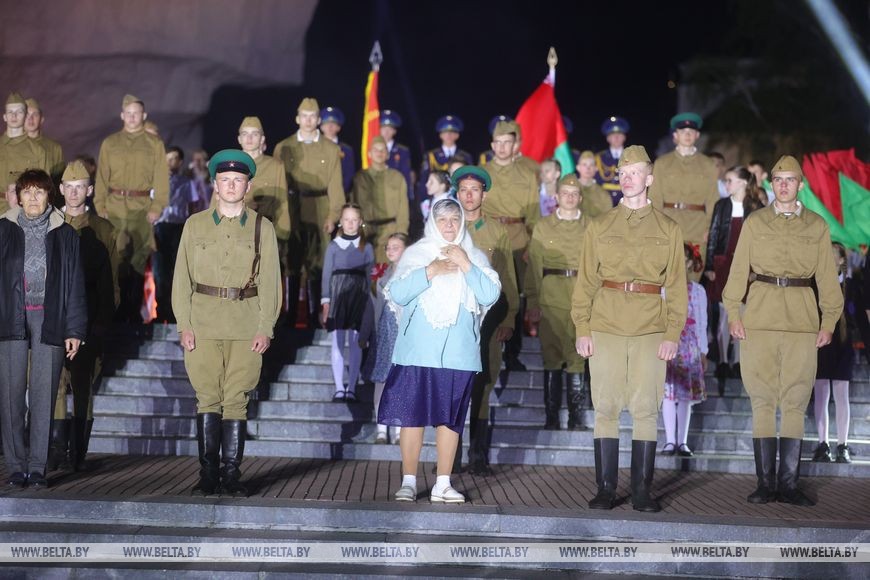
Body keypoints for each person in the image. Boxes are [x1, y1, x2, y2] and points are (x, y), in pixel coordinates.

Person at [572, 145, 688, 513]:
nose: (627, 178)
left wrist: (672, 334)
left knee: (645, 409)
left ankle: (641, 490)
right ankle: (605, 488)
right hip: (604, 324)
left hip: (650, 327)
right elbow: (586, 282)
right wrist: (582, 328)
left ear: (649, 179)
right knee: (605, 407)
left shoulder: (669, 229)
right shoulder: (600, 225)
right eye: (622, 173)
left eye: (635, 172)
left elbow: (678, 287)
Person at [723, 155, 843, 507]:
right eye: (778, 179)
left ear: (801, 185)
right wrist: (733, 312)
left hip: (802, 323)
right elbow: (738, 268)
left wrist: (829, 321)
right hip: (759, 318)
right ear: (771, 184)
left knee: (794, 401)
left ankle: (788, 484)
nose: (784, 185)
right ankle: (765, 483)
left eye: (791, 179)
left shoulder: (817, 226)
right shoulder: (755, 223)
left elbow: (826, 277)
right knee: (762, 400)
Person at [171, 149, 282, 497]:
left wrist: (266, 326)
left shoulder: (264, 229)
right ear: (215, 186)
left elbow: (270, 282)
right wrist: (183, 325)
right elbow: (180, 280)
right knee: (207, 398)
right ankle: (207, 475)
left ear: (247, 186)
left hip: (245, 324)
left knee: (236, 400)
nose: (231, 185)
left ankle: (231, 475)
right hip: (202, 323)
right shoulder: (195, 225)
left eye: (238, 180)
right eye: (225, 180)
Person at [378, 198, 500, 503]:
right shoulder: (417, 254)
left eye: (455, 220)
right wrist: (429, 271)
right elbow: (397, 293)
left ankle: (442, 483)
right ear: (433, 222)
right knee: (411, 416)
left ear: (462, 223)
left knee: (451, 419)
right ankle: (408, 481)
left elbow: (489, 294)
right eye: (443, 219)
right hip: (417, 351)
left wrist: (465, 264)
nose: (449, 225)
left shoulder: (473, 255)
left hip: (458, 353)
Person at [0, 169, 87, 488]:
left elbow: (76, 284)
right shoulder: (3, 230)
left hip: (50, 319)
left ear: (50, 196)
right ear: (18, 196)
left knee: (44, 393)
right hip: (10, 318)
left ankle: (37, 466)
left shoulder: (65, 233)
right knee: (9, 395)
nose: (33, 198)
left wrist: (75, 329)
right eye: (27, 192)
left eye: (40, 191)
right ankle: (14, 465)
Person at [48, 161, 119, 472]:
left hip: (89, 322)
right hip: (52, 321)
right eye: (69, 187)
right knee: (54, 386)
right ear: (61, 190)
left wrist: (102, 326)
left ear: (90, 190)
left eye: (81, 187)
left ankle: (77, 455)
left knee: (83, 387)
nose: (74, 193)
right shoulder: (47, 224)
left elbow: (112, 283)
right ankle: (55, 452)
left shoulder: (104, 230)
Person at [456, 165, 518, 475]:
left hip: (488, 319)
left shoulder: (497, 231)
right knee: (453, 384)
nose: (469, 195)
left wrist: (510, 316)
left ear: (484, 194)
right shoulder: (447, 227)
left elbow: (507, 277)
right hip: (452, 319)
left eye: (475, 190)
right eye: (464, 189)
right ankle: (449, 458)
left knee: (483, 382)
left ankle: (477, 455)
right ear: (457, 193)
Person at [95, 94, 169, 324]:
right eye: (128, 113)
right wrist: (100, 205)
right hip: (115, 208)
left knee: (138, 262)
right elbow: (101, 176)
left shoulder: (154, 144)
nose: (132, 117)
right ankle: (113, 314)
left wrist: (158, 206)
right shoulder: (110, 143)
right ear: (122, 115)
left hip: (141, 209)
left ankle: (133, 313)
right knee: (115, 260)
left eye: (136, 113)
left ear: (144, 116)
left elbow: (161, 179)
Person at [273, 98, 344, 327]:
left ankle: (315, 319)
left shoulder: (331, 149)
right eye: (304, 116)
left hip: (320, 207)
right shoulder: (283, 147)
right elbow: (276, 182)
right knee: (291, 262)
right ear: (297, 118)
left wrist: (333, 215)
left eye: (312, 116)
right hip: (292, 208)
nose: (308, 120)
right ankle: (289, 315)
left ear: (319, 120)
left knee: (318, 265)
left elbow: (336, 185)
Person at [527, 175, 590, 431]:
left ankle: (576, 419)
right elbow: (534, 266)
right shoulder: (543, 227)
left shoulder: (591, 227)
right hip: (550, 298)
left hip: (580, 299)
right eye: (565, 193)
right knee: (551, 358)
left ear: (581, 198)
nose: (570, 198)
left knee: (578, 358)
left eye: (574, 194)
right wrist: (533, 301)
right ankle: (551, 418)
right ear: (556, 196)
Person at [482, 120, 540, 372]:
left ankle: (512, 353)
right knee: (487, 295)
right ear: (492, 145)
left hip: (518, 239)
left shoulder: (527, 175)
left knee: (516, 297)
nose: (503, 147)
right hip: (489, 240)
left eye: (508, 142)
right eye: (499, 143)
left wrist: (532, 245)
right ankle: (485, 347)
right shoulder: (482, 174)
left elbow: (534, 215)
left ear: (514, 145)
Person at [704, 166, 766, 380]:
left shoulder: (756, 207)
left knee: (743, 314)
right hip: (723, 263)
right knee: (722, 314)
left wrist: (757, 269)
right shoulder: (721, 205)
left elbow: (761, 241)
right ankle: (722, 360)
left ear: (741, 183)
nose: (726, 184)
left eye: (729, 180)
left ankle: (738, 360)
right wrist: (710, 265)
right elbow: (713, 235)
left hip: (746, 267)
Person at [647, 113, 719, 280]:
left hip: (698, 228)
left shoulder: (707, 164)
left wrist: (709, 229)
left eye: (691, 131)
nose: (687, 135)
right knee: (668, 279)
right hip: (670, 225)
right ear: (675, 136)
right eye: (683, 131)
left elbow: (713, 200)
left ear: (697, 136)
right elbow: (655, 199)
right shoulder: (663, 163)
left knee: (693, 279)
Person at [321, 203, 375, 401]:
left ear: (360, 222)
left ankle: (351, 387)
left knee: (355, 343)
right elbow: (326, 274)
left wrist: (370, 304)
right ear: (341, 222)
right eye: (346, 220)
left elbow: (371, 277)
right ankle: (338, 387)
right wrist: (326, 301)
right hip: (338, 297)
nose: (350, 224)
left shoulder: (367, 247)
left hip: (358, 298)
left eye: (354, 220)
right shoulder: (334, 246)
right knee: (337, 343)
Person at [361, 232, 408, 444]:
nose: (390, 251)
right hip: (384, 334)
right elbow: (373, 308)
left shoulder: (411, 275)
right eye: (388, 247)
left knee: (400, 382)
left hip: (403, 334)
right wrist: (365, 333)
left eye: (395, 247)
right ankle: (381, 429)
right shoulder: (381, 278)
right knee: (381, 381)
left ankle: (398, 429)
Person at [661, 243, 708, 457]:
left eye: (685, 259)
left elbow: (702, 321)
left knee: (685, 395)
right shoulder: (663, 289)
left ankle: (682, 441)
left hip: (689, 346)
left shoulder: (698, 291)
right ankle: (670, 440)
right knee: (668, 393)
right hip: (669, 343)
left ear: (690, 263)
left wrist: (704, 350)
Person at [812, 242, 855, 464]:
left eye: (832, 255)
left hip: (844, 344)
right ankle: (823, 443)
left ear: (840, 260)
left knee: (841, 395)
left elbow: (856, 314)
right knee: (820, 393)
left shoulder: (851, 284)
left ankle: (843, 444)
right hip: (822, 342)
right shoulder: (816, 284)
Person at [234, 117, 292, 278]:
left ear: (262, 139)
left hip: (265, 232)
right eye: (245, 134)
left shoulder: (275, 166)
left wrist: (282, 234)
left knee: (266, 279)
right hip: (234, 232)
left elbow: (283, 202)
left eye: (255, 134)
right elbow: (216, 201)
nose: (249, 138)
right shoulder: (230, 165)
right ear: (239, 139)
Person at [153, 146, 199, 323]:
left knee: (177, 271)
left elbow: (193, 208)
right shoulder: (155, 182)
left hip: (178, 229)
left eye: (174, 159)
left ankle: (175, 314)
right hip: (160, 228)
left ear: (180, 162)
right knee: (159, 272)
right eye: (167, 159)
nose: (170, 163)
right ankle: (160, 311)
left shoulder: (187, 183)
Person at [351, 136, 409, 264]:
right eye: (376, 150)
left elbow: (403, 210)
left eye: (383, 150)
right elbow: (353, 206)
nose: (379, 153)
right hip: (365, 232)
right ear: (369, 153)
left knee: (387, 274)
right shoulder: (360, 178)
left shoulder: (397, 177)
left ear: (388, 154)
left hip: (390, 232)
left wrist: (400, 235)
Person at [0, 92, 49, 214]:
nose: (14, 115)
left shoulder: (37, 150)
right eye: (10, 112)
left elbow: (45, 189)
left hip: (28, 211)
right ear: (4, 116)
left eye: (19, 111)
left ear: (26, 115)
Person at [416, 115, 473, 206]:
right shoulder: (431, 156)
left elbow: (471, 180)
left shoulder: (466, 156)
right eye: (445, 132)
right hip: (436, 201)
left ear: (457, 135)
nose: (449, 135)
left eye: (452, 132)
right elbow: (424, 180)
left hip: (460, 201)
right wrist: (424, 201)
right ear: (440, 135)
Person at [24, 97, 65, 184]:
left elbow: (58, 181)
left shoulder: (55, 148)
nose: (30, 119)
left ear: (41, 119)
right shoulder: (8, 147)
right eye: (26, 115)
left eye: (35, 114)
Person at [320, 106, 355, 195]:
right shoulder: (312, 148)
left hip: (339, 195)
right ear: (321, 126)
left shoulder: (347, 150)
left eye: (333, 123)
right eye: (326, 123)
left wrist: (339, 193)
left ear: (339, 127)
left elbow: (349, 175)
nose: (330, 126)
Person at [594, 116, 629, 205]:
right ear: (607, 138)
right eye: (612, 135)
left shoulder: (632, 156)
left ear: (624, 137)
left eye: (619, 134)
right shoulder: (598, 158)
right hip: (604, 202)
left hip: (627, 201)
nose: (616, 137)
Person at [379, 110, 413, 196]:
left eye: (390, 128)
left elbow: (406, 176)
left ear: (394, 131)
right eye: (383, 128)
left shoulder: (402, 151)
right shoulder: (371, 149)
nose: (386, 132)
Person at [576, 150, 616, 217]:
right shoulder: (570, 191)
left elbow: (607, 219)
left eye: (591, 165)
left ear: (596, 168)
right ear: (578, 168)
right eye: (584, 164)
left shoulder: (603, 195)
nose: (588, 168)